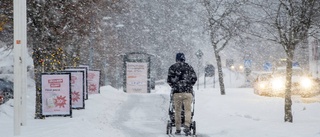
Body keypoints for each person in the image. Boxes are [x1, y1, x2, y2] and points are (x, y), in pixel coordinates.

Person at [167, 52, 197, 135]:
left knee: (177, 110)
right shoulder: (189, 67)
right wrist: (189, 85)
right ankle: (187, 125)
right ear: (184, 58)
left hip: (177, 93)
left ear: (176, 59)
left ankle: (178, 128)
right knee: (188, 109)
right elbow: (194, 78)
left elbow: (169, 80)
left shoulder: (173, 67)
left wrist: (174, 85)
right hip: (188, 92)